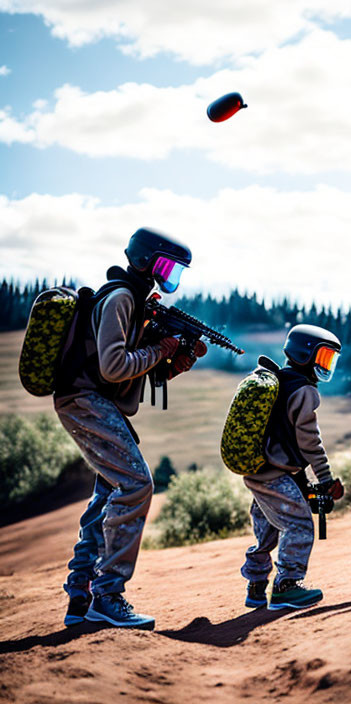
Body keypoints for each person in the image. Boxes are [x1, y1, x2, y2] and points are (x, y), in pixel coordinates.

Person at [56, 227, 206, 630]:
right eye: (166, 265)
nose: (170, 273)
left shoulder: (135, 300)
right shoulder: (123, 298)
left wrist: (172, 361)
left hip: (93, 400)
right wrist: (160, 349)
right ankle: (108, 594)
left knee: (109, 489)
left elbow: (126, 374)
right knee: (137, 484)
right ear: (145, 260)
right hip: (84, 400)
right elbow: (113, 366)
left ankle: (81, 597)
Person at [241, 324, 344, 610]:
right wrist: (325, 478)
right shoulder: (305, 392)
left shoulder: (278, 381)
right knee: (298, 525)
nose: (326, 366)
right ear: (304, 354)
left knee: (267, 532)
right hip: (274, 474)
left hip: (257, 471)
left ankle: (256, 585)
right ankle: (287, 585)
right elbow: (310, 442)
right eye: (323, 358)